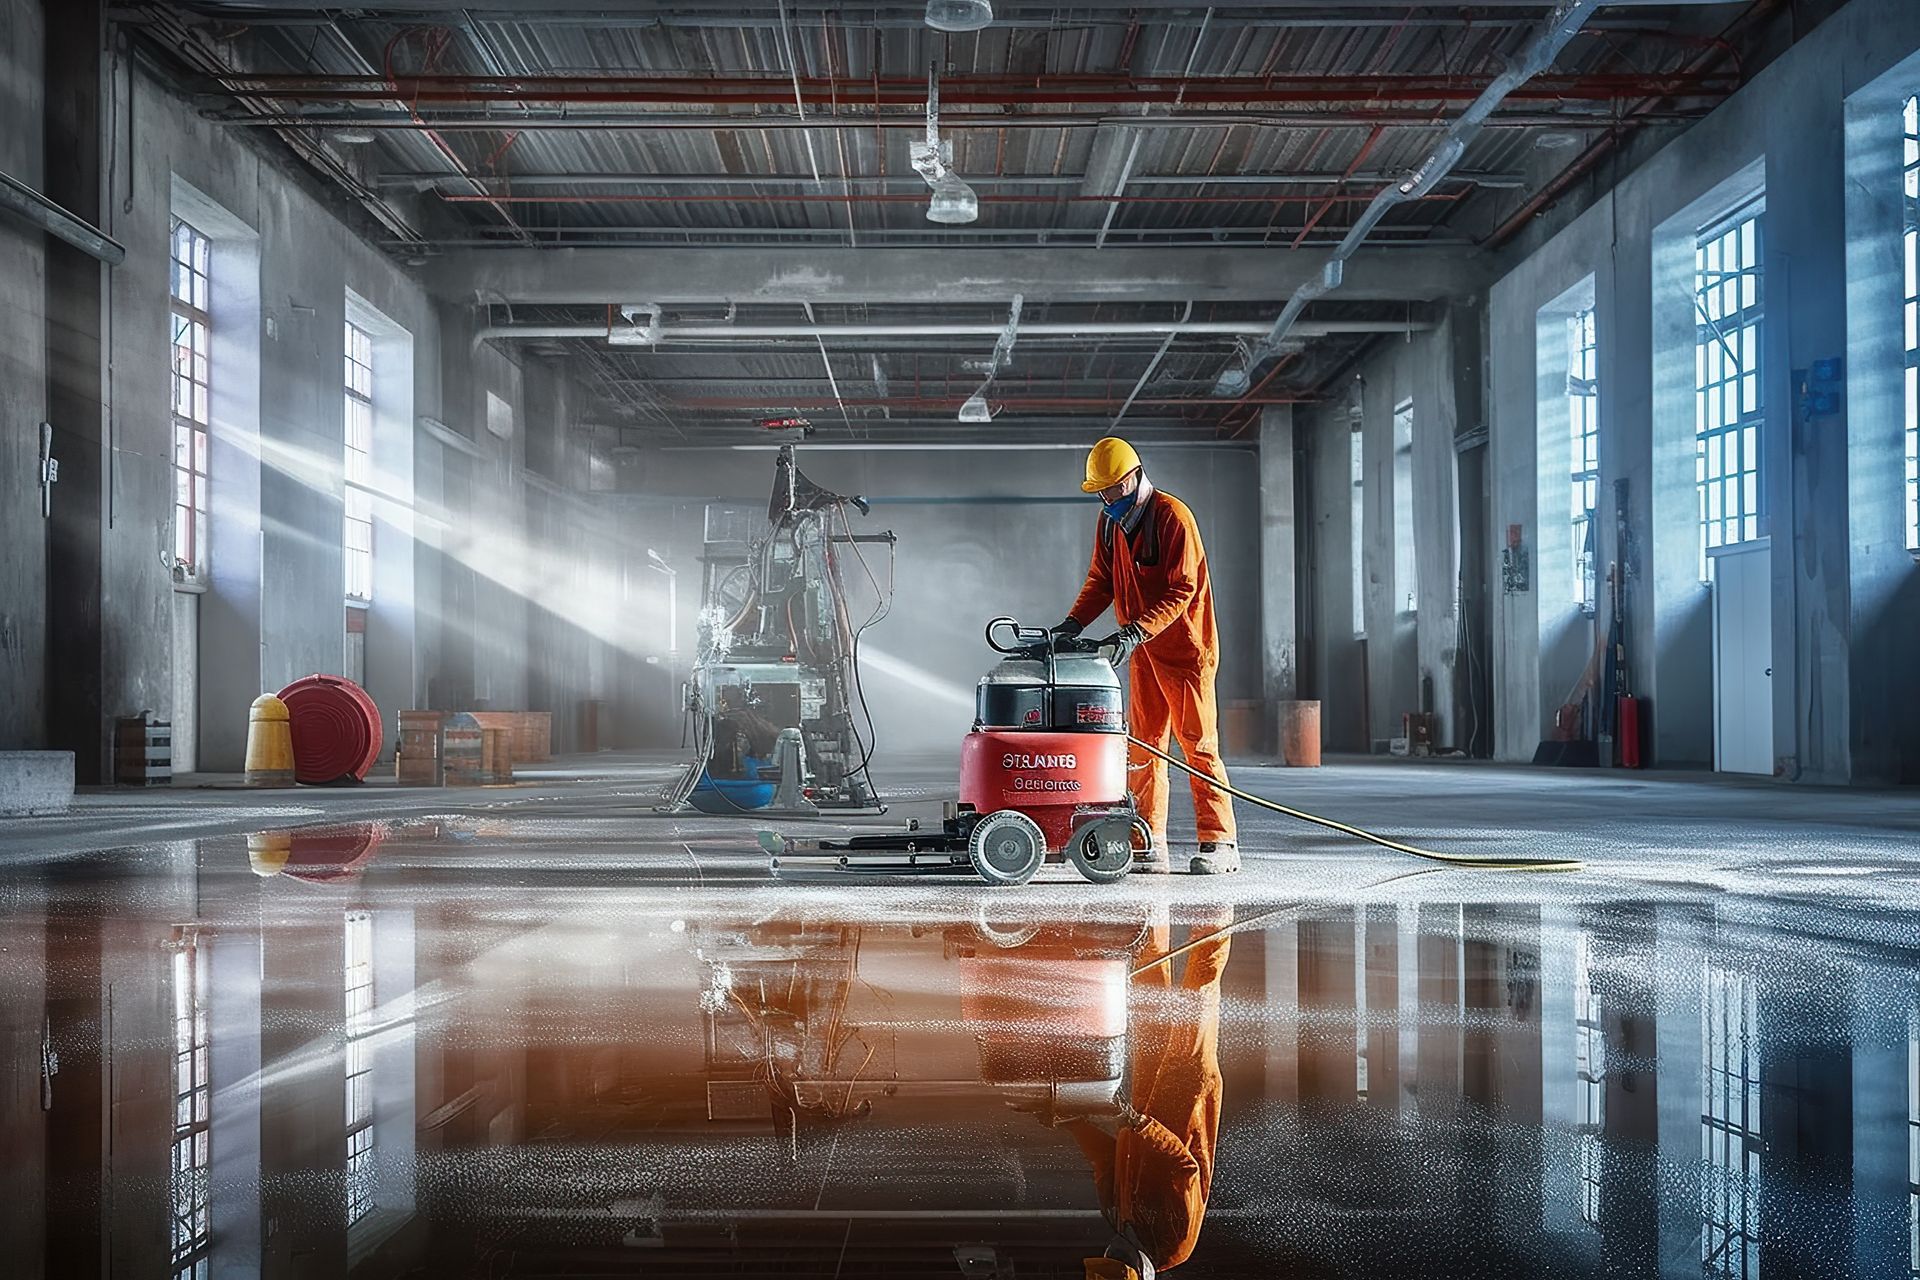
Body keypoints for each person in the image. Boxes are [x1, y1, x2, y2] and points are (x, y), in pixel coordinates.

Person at [1053, 437, 1238, 875]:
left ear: (1134, 476)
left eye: (1113, 490)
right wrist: (1073, 623)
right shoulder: (1109, 524)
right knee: (1143, 746)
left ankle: (1220, 842)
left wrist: (1134, 631)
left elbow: (1182, 589)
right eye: (1101, 491)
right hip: (1144, 652)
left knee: (1198, 745)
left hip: (1186, 653)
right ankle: (1147, 839)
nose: (1107, 499)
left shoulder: (1173, 518)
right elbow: (1101, 581)